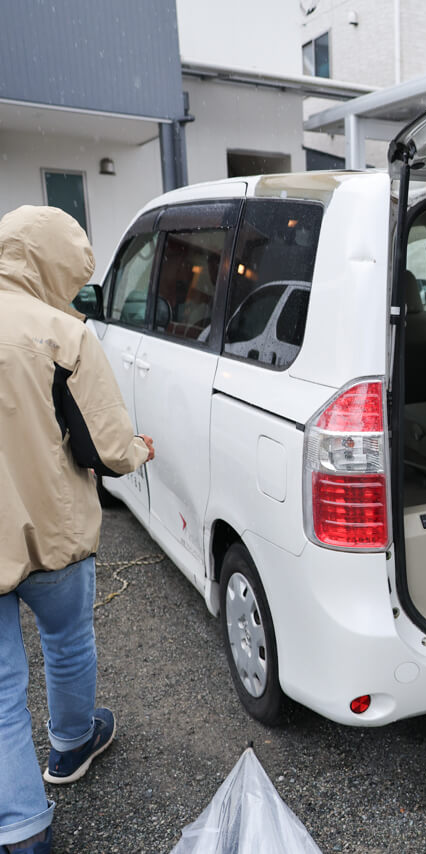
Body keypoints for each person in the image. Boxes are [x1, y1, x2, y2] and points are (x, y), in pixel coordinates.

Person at [0, 206, 155, 854]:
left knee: (0, 691)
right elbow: (106, 448)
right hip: (52, 534)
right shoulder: (64, 334)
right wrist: (139, 451)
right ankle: (70, 745)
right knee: (65, 642)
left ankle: (22, 829)